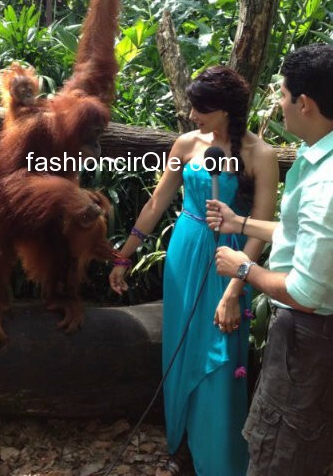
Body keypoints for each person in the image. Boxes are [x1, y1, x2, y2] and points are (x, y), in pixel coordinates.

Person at [109, 66, 278, 476]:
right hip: (185, 252)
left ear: (226, 110)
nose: (191, 114)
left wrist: (236, 287)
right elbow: (155, 204)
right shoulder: (185, 143)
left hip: (232, 257)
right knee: (182, 350)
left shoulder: (262, 154)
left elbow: (262, 226)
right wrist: (123, 255)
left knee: (220, 355)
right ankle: (181, 446)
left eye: (201, 107)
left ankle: (217, 457)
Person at [206, 43, 333, 476]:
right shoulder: (318, 158)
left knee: (280, 448)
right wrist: (240, 223)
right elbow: (304, 239)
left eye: (281, 93)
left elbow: (306, 291)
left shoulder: (325, 181)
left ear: (305, 104)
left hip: (309, 335)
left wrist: (243, 269)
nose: (278, 102)